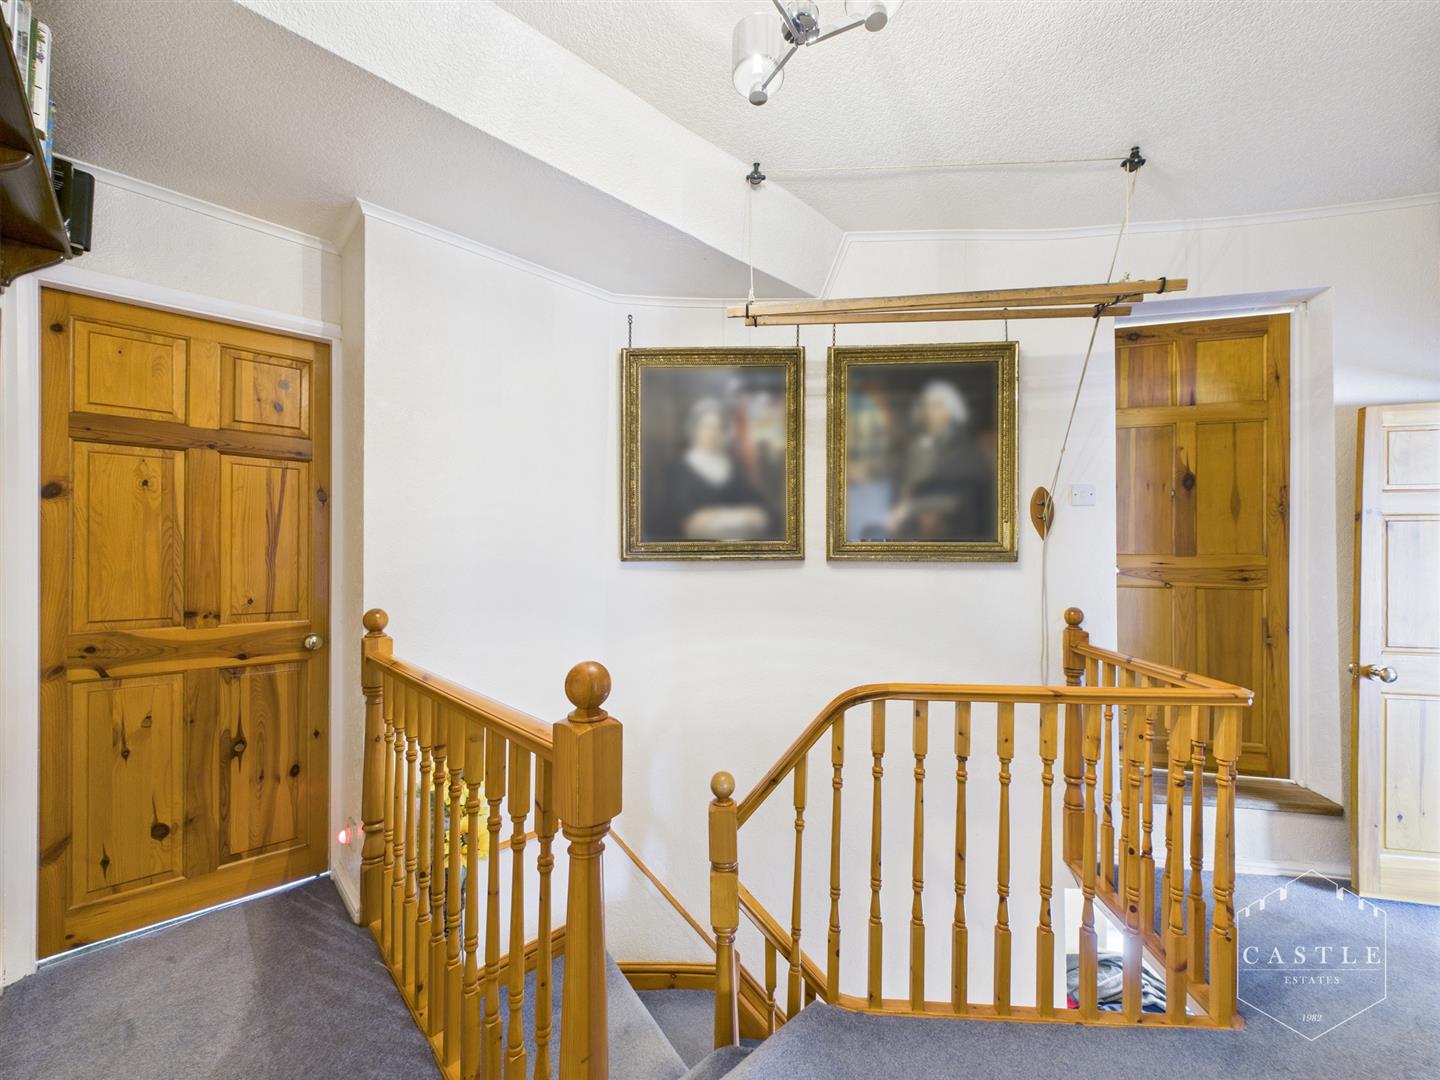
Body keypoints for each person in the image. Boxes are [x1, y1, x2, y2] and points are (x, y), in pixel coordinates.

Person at [650, 397, 772, 541]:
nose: (713, 433)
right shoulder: (677, 469)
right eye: (707, 427)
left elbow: (755, 504)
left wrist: (754, 513)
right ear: (694, 430)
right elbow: (676, 515)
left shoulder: (734, 467)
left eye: (718, 427)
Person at [885, 380, 994, 541]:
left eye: (936, 406)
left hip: (955, 529)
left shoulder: (965, 448)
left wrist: (916, 508)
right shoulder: (914, 447)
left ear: (951, 412)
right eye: (926, 406)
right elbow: (901, 488)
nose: (929, 413)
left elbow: (965, 490)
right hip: (912, 530)